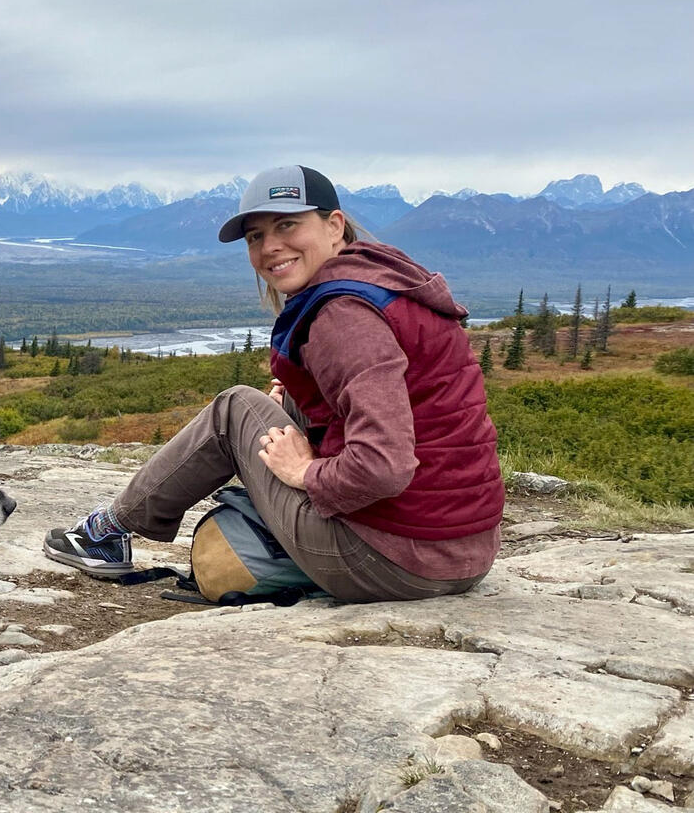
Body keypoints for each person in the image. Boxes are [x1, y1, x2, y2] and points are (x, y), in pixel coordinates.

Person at [42, 165, 503, 603]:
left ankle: (106, 532)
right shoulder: (385, 282)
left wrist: (304, 473)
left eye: (287, 226)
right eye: (256, 236)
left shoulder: (344, 317)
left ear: (335, 225)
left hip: (393, 561)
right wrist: (301, 403)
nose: (269, 247)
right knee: (280, 405)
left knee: (234, 410)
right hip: (464, 551)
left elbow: (384, 465)